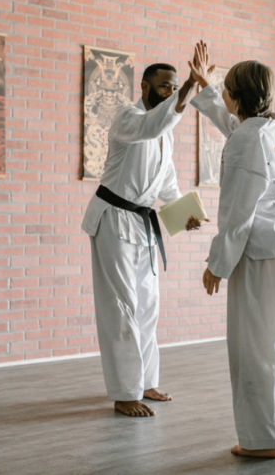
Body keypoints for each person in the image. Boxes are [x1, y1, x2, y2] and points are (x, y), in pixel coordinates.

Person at [188, 42, 275, 458]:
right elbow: (231, 125)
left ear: (238, 96)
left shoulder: (246, 140)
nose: (222, 93)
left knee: (250, 347)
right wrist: (206, 85)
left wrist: (217, 265)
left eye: (226, 88)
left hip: (256, 249)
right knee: (270, 337)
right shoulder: (264, 128)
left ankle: (262, 440)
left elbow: (236, 212)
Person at [81, 49, 203, 418]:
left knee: (148, 306)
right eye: (163, 86)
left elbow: (167, 185)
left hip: (143, 225)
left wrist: (186, 215)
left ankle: (147, 381)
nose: (169, 92)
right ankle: (124, 391)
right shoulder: (128, 117)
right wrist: (189, 89)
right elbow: (154, 125)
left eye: (174, 87)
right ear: (145, 86)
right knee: (121, 308)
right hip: (113, 220)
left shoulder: (166, 135)